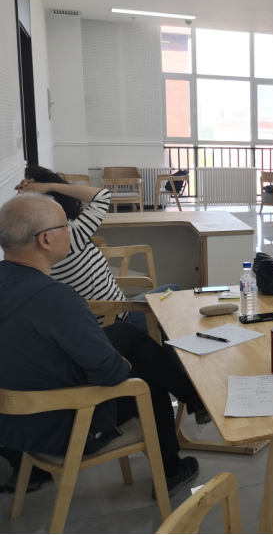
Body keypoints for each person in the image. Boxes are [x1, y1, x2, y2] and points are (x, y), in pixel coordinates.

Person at [0, 194, 207, 497]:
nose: (71, 230)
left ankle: (192, 398)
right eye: (66, 225)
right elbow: (110, 374)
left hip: (10, 422)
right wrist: (122, 365)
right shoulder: (54, 298)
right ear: (45, 239)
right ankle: (171, 469)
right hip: (57, 424)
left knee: (125, 332)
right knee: (145, 380)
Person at [15, 166, 180, 330]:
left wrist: (29, 193)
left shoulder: (32, 246)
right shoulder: (70, 236)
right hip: (116, 318)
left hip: (90, 322)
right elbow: (102, 196)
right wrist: (50, 186)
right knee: (174, 292)